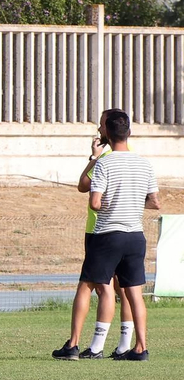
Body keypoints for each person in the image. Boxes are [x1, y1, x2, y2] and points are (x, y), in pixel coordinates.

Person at [54, 108, 158, 361]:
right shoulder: (144, 163)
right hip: (135, 236)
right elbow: (154, 202)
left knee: (86, 285)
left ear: (108, 133)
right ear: (128, 132)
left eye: (101, 126)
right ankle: (140, 348)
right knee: (134, 292)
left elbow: (95, 203)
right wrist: (131, 202)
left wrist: (111, 200)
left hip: (108, 234)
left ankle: (74, 344)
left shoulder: (104, 163)